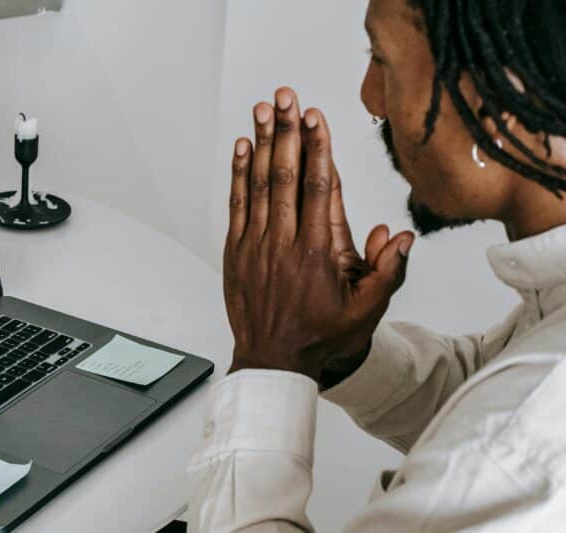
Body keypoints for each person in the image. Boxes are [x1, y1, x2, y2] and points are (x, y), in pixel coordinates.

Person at [188, 0, 566, 530]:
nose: (370, 96)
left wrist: (269, 360)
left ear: (499, 102)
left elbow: (500, 434)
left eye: (381, 56)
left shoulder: (518, 457)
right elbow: (485, 396)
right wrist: (343, 352)